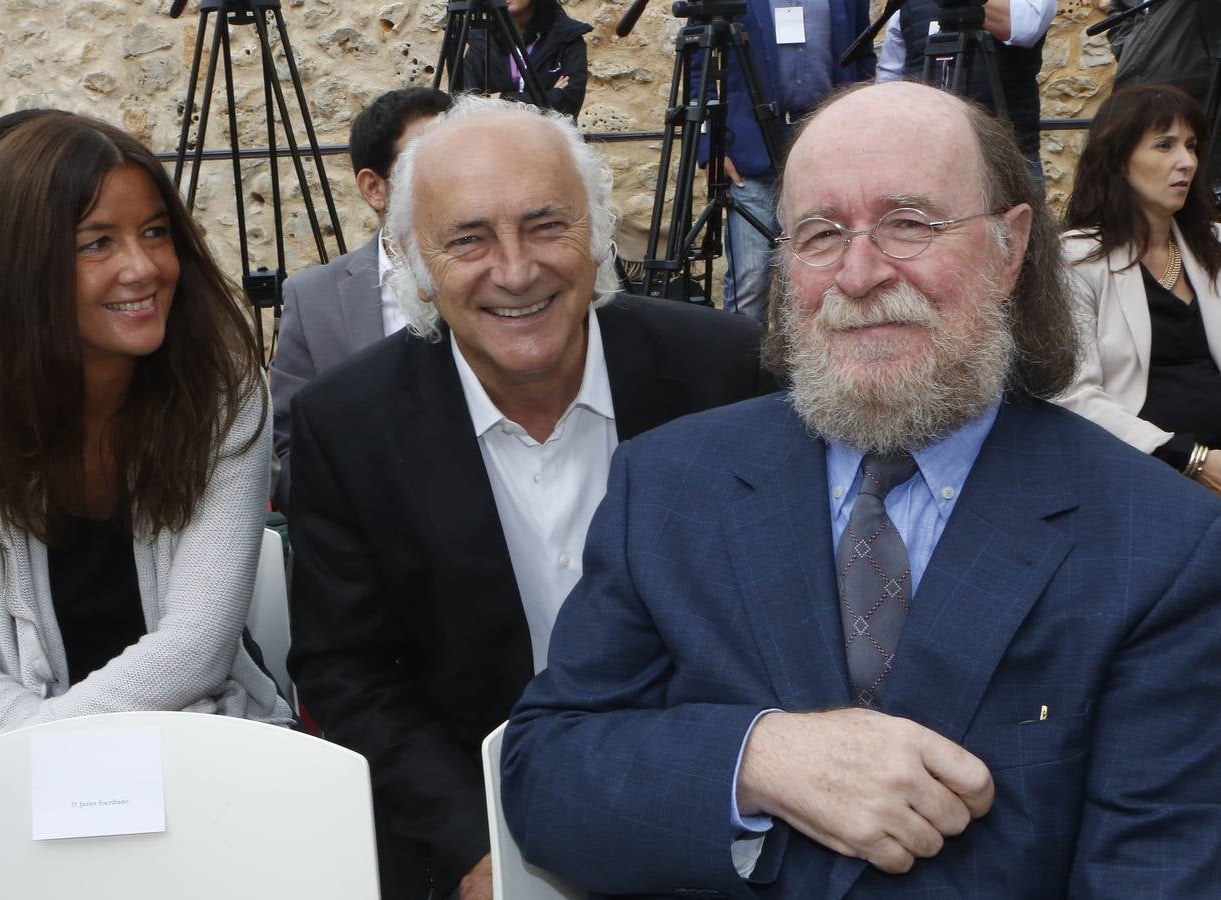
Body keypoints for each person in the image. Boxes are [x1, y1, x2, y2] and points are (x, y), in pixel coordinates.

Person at [501, 81, 1221, 898]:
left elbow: (1157, 872)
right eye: (819, 232)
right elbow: (546, 776)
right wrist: (758, 758)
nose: (859, 272)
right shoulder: (666, 486)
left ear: (1010, 247)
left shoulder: (1162, 542)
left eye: (909, 223)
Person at [286, 96, 772, 900]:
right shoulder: (346, 425)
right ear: (412, 260)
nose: (515, 271)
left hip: (714, 822)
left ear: (598, 231)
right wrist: (478, 847)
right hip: (473, 833)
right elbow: (349, 674)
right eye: (468, 239)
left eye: (547, 225)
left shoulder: (727, 374)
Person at [0, 114, 295, 745]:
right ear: (22, 266)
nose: (143, 268)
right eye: (96, 242)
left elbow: (197, 647)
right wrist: (52, 757)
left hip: (203, 731)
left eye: (155, 232)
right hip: (9, 754)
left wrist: (52, 744)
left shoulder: (220, 394)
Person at [269, 87, 451, 511]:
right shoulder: (315, 299)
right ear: (375, 188)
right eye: (427, 165)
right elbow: (288, 452)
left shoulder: (508, 283)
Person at [1058, 84, 1221, 494]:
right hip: (1146, 470)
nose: (1186, 162)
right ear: (1119, 159)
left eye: (1192, 145)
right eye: (1164, 146)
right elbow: (1071, 395)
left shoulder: (1214, 244)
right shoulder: (1077, 259)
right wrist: (1192, 459)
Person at [693, 2, 875, 320]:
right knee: (751, 280)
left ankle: (811, 367)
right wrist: (711, 144)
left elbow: (862, 59)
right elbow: (698, 65)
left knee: (826, 273)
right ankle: (742, 368)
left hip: (828, 147)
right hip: (750, 149)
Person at [878, 0, 1055, 177]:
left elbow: (1026, 27)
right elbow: (889, 86)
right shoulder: (908, 7)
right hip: (926, 157)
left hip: (1003, 160)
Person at [460, 0, 590, 117]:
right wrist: (549, 96)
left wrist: (500, 98)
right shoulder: (483, 41)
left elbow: (568, 103)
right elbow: (469, 106)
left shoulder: (566, 36)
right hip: (496, 138)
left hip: (548, 138)